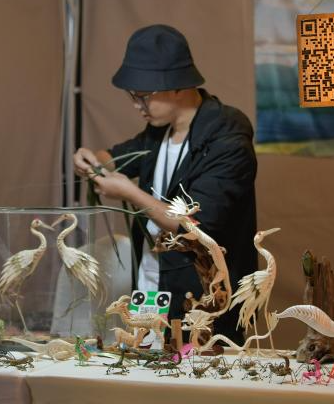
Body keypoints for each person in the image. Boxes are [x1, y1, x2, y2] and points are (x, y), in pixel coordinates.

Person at [73, 24, 257, 342]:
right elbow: (114, 157)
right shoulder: (160, 130)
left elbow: (195, 223)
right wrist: (91, 161)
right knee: (145, 355)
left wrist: (130, 192)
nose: (136, 105)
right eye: (133, 96)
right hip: (151, 281)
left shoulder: (226, 134)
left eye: (143, 96)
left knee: (196, 365)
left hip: (202, 295)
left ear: (177, 86)